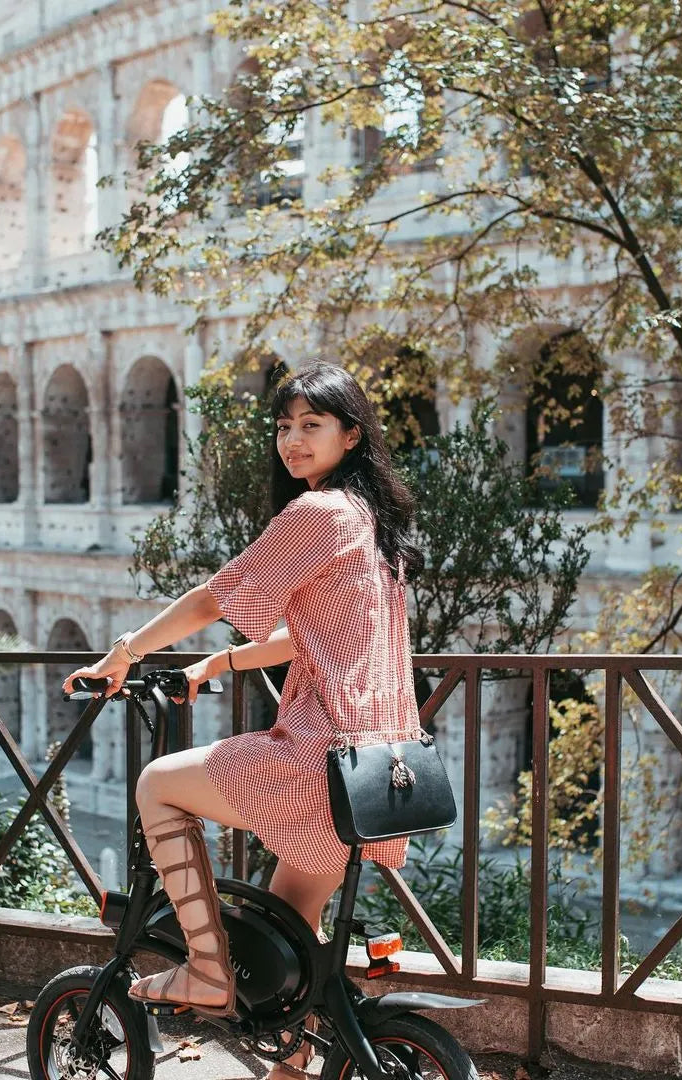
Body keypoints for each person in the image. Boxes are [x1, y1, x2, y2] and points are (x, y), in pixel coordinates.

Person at [63, 360, 424, 1079]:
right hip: (382, 770)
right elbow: (315, 633)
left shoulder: (317, 513)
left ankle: (204, 967)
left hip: (323, 756)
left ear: (352, 435)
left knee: (158, 785)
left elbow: (215, 597)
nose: (292, 440)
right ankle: (289, 1068)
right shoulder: (371, 522)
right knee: (292, 947)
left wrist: (126, 653)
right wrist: (219, 666)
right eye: (284, 426)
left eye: (311, 426)